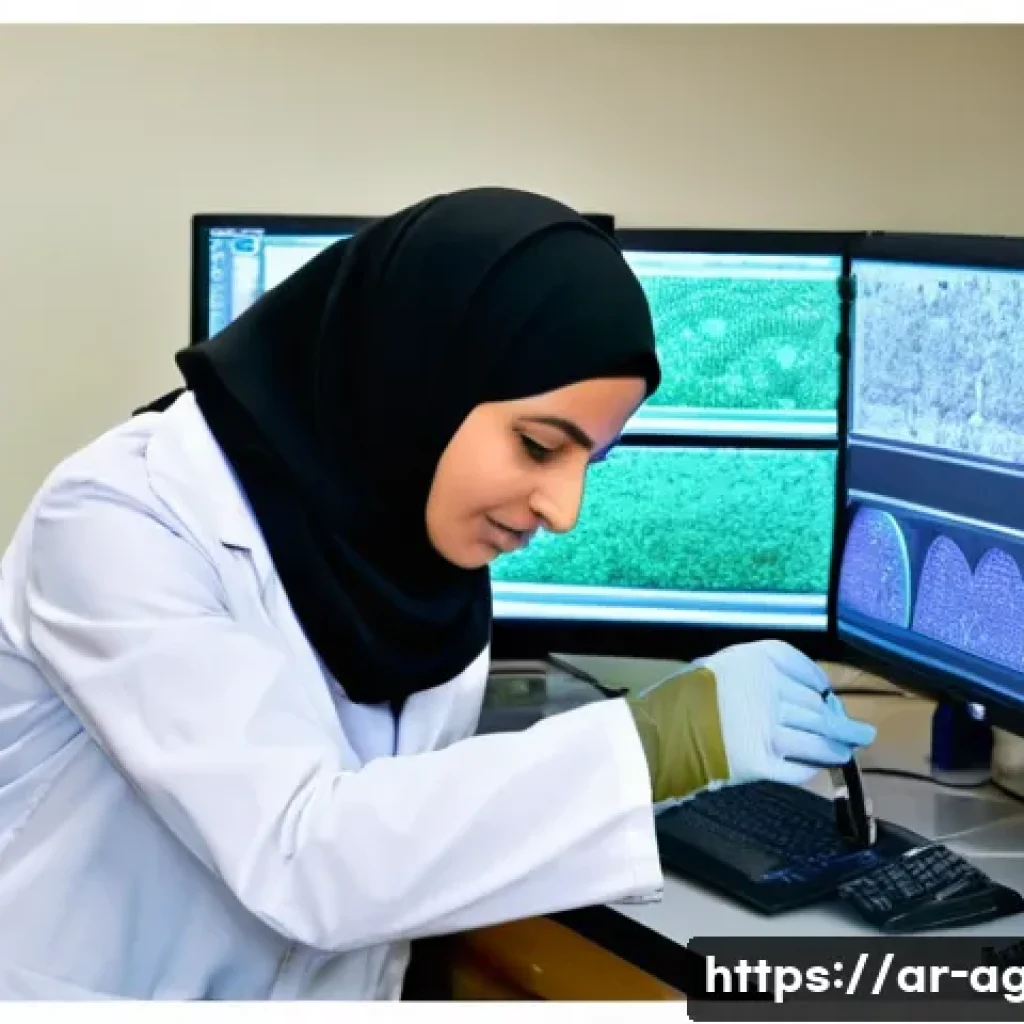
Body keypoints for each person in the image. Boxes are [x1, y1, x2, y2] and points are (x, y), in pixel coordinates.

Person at [0, 188, 875, 1000]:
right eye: (539, 447)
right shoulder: (124, 519)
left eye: (590, 464)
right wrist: (658, 745)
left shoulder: (410, 562)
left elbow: (404, 837)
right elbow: (304, 856)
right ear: (419, 376)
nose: (564, 511)